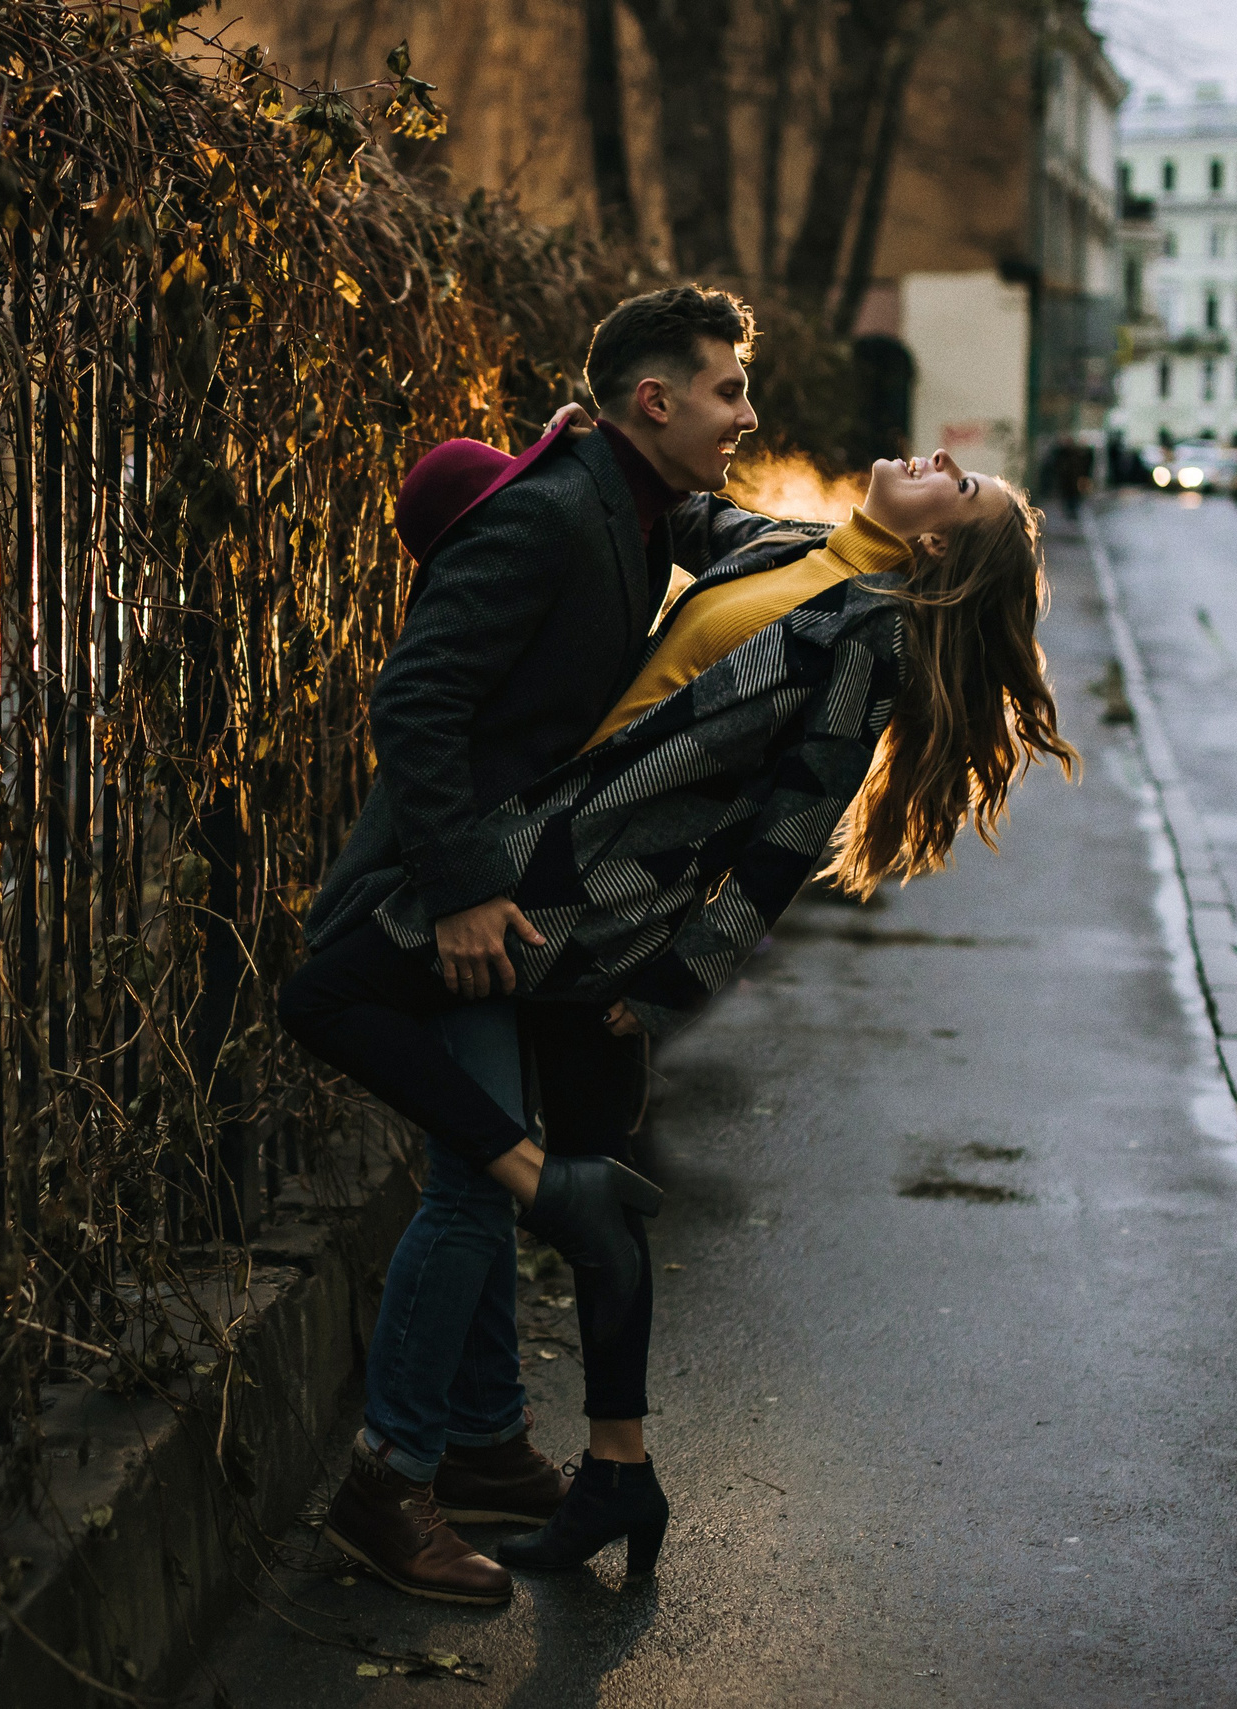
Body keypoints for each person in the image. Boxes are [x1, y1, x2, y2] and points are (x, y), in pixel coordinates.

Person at [284, 348, 1078, 1596]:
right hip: (515, 842)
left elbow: (777, 850)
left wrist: (660, 989)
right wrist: (576, 438)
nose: (935, 460)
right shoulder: (790, 546)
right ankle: (488, 1444)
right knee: (469, 1168)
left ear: (936, 556)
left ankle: (394, 1479)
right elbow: (666, 491)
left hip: (567, 905)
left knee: (384, 1068)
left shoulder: (861, 643)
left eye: (955, 486)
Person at [284, 285, 787, 1607]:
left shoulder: (625, 505)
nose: (748, 413)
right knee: (472, 1187)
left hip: (496, 904)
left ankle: (493, 1445)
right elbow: (417, 695)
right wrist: (453, 887)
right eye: (729, 390)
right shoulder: (554, 512)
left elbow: (740, 537)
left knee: (484, 1173)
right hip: (427, 908)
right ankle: (384, 1487)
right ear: (655, 401)